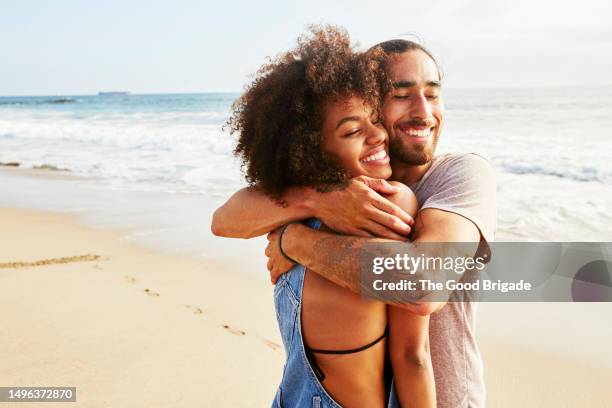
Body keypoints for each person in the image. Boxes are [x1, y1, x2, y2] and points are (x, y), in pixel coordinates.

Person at [213, 35, 497, 407]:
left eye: (433, 93)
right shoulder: (333, 189)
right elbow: (224, 219)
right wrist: (320, 199)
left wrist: (294, 241)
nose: (424, 111)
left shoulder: (460, 174)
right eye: (402, 94)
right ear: (368, 99)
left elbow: (422, 286)